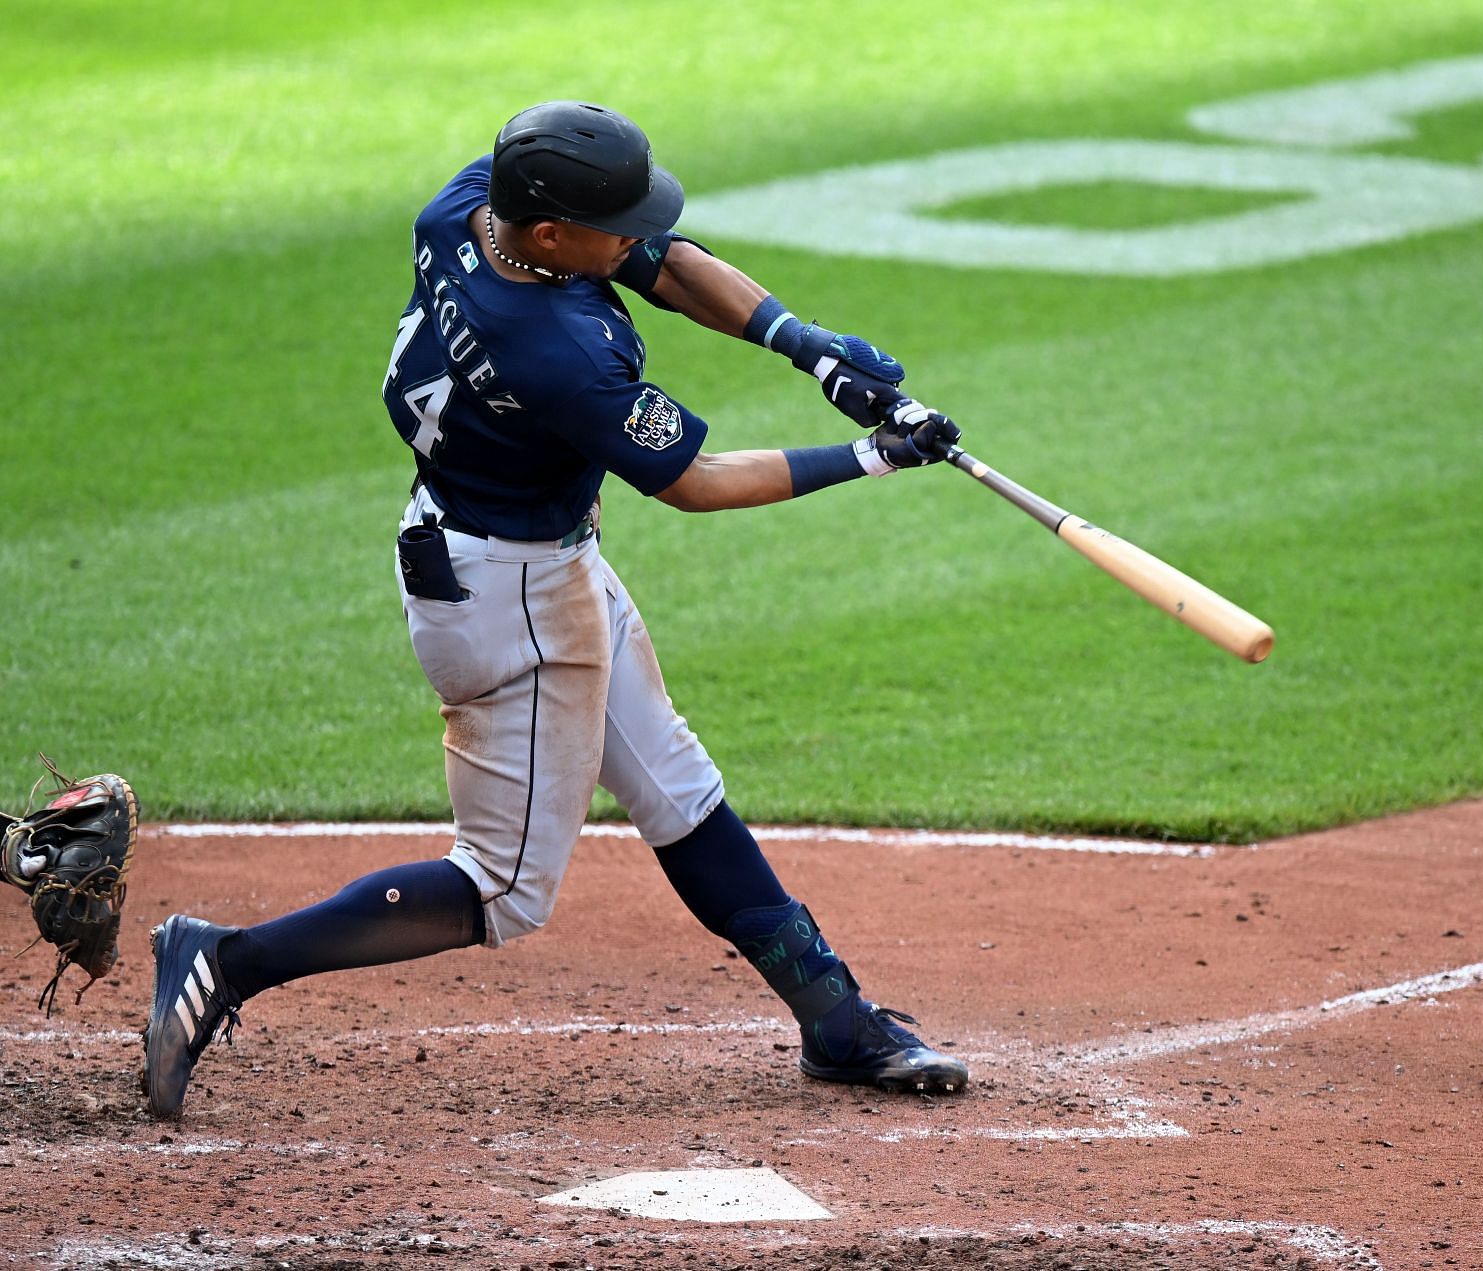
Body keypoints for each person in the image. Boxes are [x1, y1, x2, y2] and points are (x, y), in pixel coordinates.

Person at [142, 101, 968, 1119]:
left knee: (674, 783)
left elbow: (661, 261)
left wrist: (808, 347)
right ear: (549, 236)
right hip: (513, 599)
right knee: (501, 886)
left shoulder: (468, 208)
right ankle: (223, 958)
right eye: (610, 226)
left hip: (507, 553)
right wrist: (872, 455)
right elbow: (695, 480)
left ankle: (836, 1022)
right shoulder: (557, 350)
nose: (632, 238)